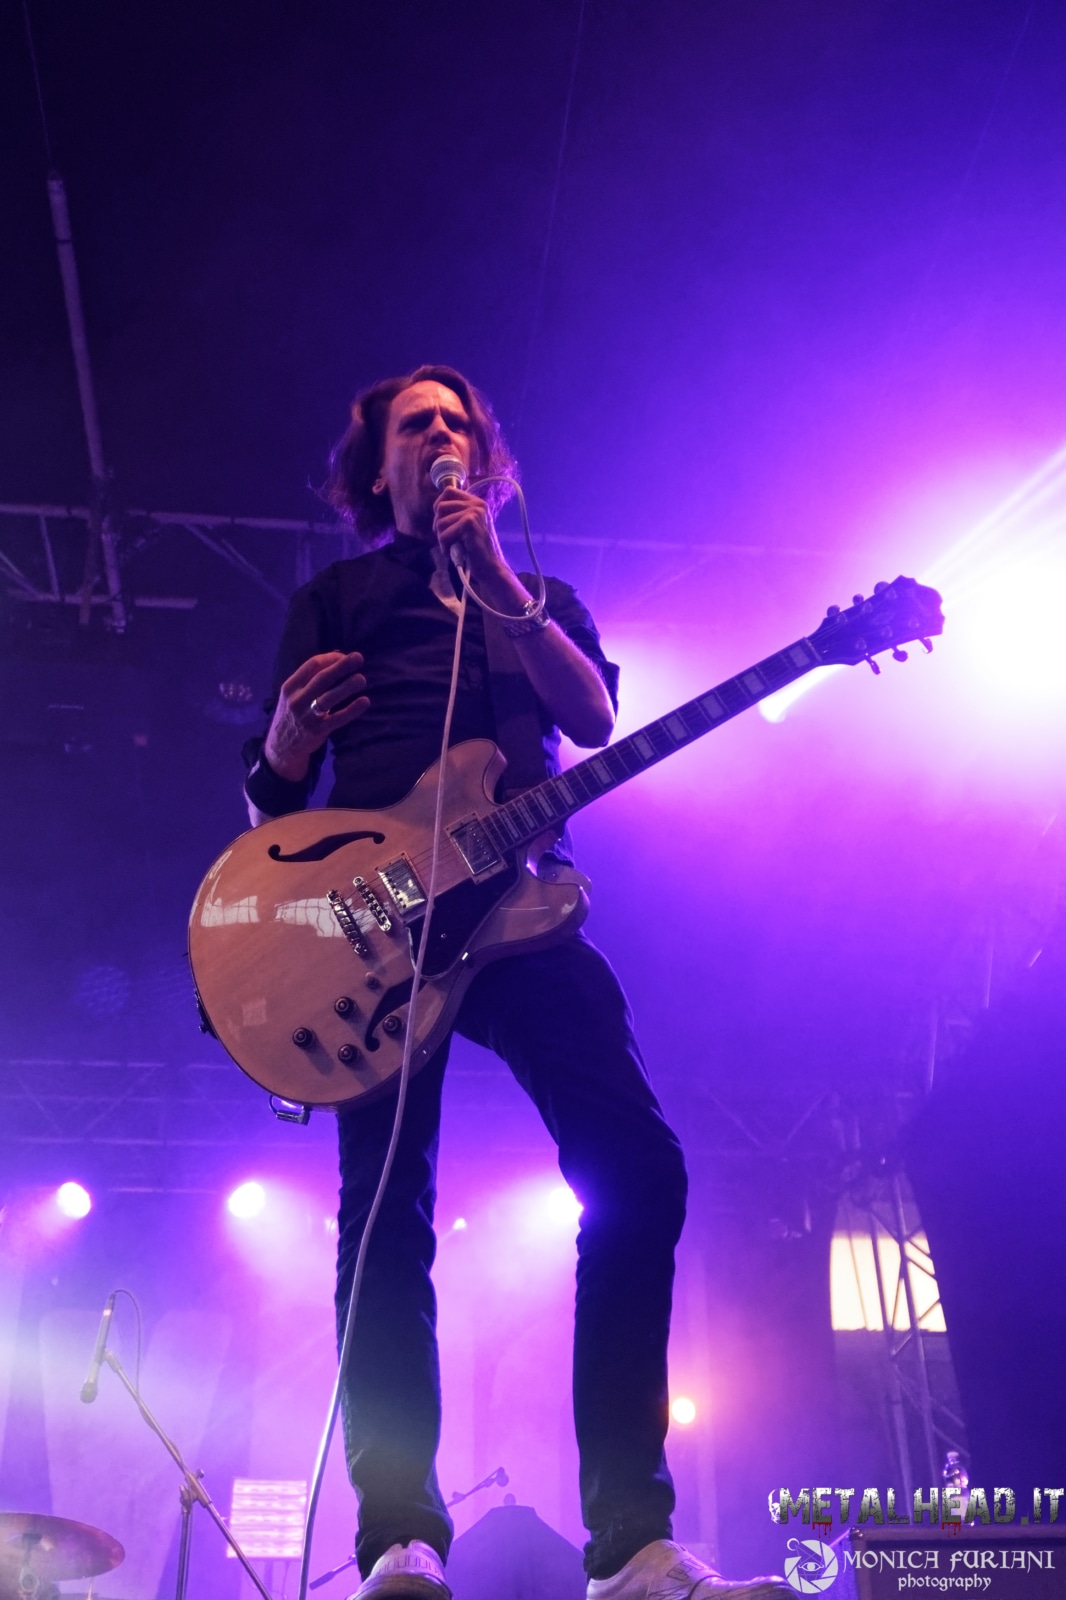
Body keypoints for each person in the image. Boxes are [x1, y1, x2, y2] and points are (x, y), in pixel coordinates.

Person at [243, 366, 789, 1600]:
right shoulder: (334, 597)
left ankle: (631, 1544)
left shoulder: (536, 595)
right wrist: (279, 745)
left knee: (638, 1167)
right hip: (377, 926)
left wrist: (495, 578)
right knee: (384, 1219)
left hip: (527, 907)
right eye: (414, 424)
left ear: (483, 465)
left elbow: (592, 719)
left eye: (458, 423)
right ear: (377, 467)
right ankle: (398, 1537)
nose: (440, 435)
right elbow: (274, 806)